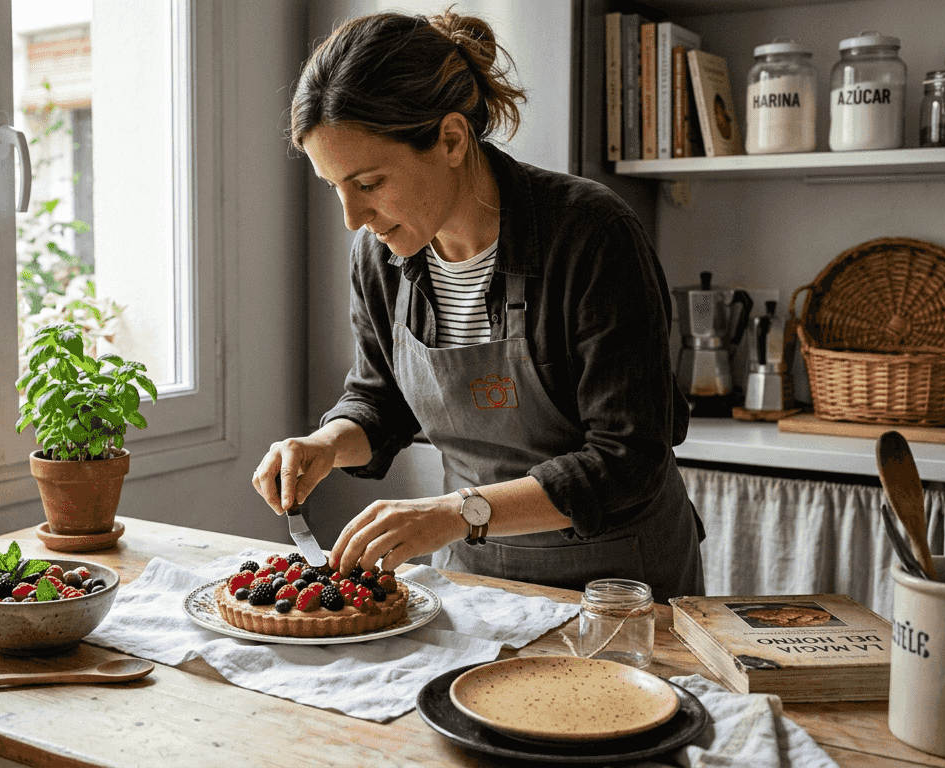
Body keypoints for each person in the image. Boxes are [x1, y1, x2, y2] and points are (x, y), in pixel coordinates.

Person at [251, 8, 705, 604]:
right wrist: (328, 443)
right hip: (478, 579)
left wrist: (455, 512)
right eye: (334, 188)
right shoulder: (379, 255)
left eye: (368, 184)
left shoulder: (592, 234)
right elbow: (380, 400)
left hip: (622, 589)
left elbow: (628, 458)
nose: (352, 218)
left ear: (451, 139)